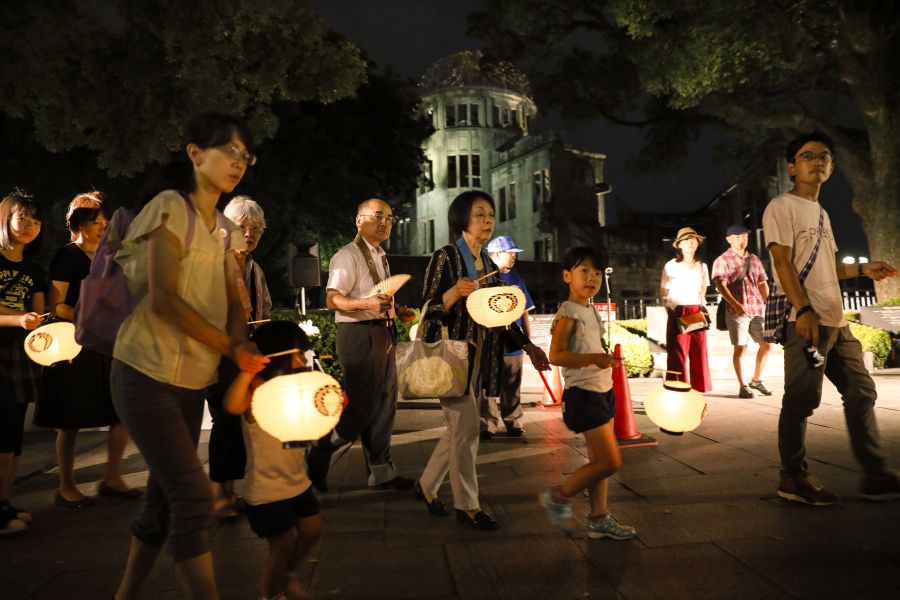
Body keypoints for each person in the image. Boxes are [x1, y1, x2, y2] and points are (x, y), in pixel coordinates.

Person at [110, 113, 268, 600]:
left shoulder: (223, 230)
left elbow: (234, 304)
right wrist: (230, 348)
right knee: (194, 500)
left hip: (188, 382)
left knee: (162, 504)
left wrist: (241, 343)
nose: (238, 162)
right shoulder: (169, 209)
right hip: (144, 372)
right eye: (229, 151)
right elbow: (163, 299)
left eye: (246, 154)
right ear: (195, 154)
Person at [762, 131, 899, 506]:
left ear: (832, 167)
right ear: (792, 167)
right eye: (808, 156)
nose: (818, 161)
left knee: (862, 391)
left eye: (825, 156)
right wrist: (803, 310)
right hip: (805, 319)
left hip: (836, 322)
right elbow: (781, 261)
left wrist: (862, 270)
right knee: (803, 399)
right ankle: (792, 476)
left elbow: (824, 268)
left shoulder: (822, 212)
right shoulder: (782, 205)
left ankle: (875, 474)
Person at [415, 191, 550, 530]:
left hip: (481, 356)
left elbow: (501, 316)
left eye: (490, 214)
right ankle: (468, 505)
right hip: (450, 356)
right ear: (461, 219)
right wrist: (452, 294)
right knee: (467, 430)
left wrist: (528, 346)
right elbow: (428, 308)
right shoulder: (446, 257)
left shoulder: (489, 266)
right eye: (479, 214)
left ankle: (426, 486)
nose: (487, 220)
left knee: (458, 430)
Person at [35, 192, 141, 509]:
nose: (102, 227)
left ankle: (112, 477)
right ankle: (66, 485)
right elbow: (57, 306)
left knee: (120, 411)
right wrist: (90, 315)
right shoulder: (68, 257)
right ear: (78, 224)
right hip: (75, 347)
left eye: (106, 222)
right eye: (95, 221)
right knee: (70, 418)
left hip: (108, 345)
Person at [306, 198, 415, 493]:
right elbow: (333, 299)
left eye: (390, 218)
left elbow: (378, 298)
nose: (385, 223)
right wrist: (367, 304)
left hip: (382, 332)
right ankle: (321, 448)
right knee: (363, 405)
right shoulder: (348, 255)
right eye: (378, 216)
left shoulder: (380, 255)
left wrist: (397, 310)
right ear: (359, 220)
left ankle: (381, 471)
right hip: (358, 333)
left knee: (385, 404)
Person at [539, 247, 636, 540]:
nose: (591, 278)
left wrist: (601, 358)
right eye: (584, 271)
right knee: (610, 462)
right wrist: (594, 359)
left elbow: (585, 349)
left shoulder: (589, 308)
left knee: (598, 463)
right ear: (567, 276)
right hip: (584, 395)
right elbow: (556, 355)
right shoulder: (568, 311)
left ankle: (598, 517)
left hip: (600, 390)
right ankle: (558, 496)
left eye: (596, 273)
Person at [224, 321, 323, 600]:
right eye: (299, 353)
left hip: (297, 481)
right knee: (282, 545)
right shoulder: (257, 390)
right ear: (279, 354)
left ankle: (286, 573)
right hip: (267, 491)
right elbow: (232, 405)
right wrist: (246, 373)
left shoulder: (296, 388)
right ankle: (270, 595)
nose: (304, 359)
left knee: (313, 529)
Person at [206, 195, 272, 521]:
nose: (250, 233)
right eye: (243, 226)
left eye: (256, 228)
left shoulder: (254, 268)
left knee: (241, 425)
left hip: (247, 356)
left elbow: (265, 311)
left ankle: (233, 490)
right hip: (218, 356)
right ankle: (220, 494)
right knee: (225, 422)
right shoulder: (214, 262)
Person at [0, 191, 45, 536]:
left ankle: (5, 501)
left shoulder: (33, 267)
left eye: (34, 220)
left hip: (21, 353)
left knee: (14, 431)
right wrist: (19, 320)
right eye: (22, 218)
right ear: (5, 220)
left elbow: (40, 310)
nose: (29, 226)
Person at [479, 235, 535, 439]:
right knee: (487, 384)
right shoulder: (483, 279)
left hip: (513, 340)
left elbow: (525, 311)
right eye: (510, 253)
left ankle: (514, 421)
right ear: (495, 254)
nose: (514, 257)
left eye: (514, 254)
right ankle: (487, 424)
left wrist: (528, 341)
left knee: (512, 382)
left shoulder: (516, 279)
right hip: (489, 340)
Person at [711, 224, 772, 399]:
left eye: (744, 236)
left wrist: (768, 303)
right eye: (737, 236)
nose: (741, 239)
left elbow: (762, 283)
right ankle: (743, 385)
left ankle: (756, 379)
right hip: (736, 310)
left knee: (767, 345)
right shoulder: (721, 260)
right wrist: (735, 303)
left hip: (757, 308)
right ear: (729, 239)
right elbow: (720, 285)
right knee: (740, 348)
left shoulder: (754, 259)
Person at [660, 227, 712, 392]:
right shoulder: (671, 266)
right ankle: (678, 386)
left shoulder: (702, 266)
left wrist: (699, 304)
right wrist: (670, 311)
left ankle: (699, 388)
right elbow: (664, 291)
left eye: (694, 239)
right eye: (686, 239)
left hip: (696, 310)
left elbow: (703, 288)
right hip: (678, 310)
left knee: (699, 351)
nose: (690, 242)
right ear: (679, 245)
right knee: (678, 353)